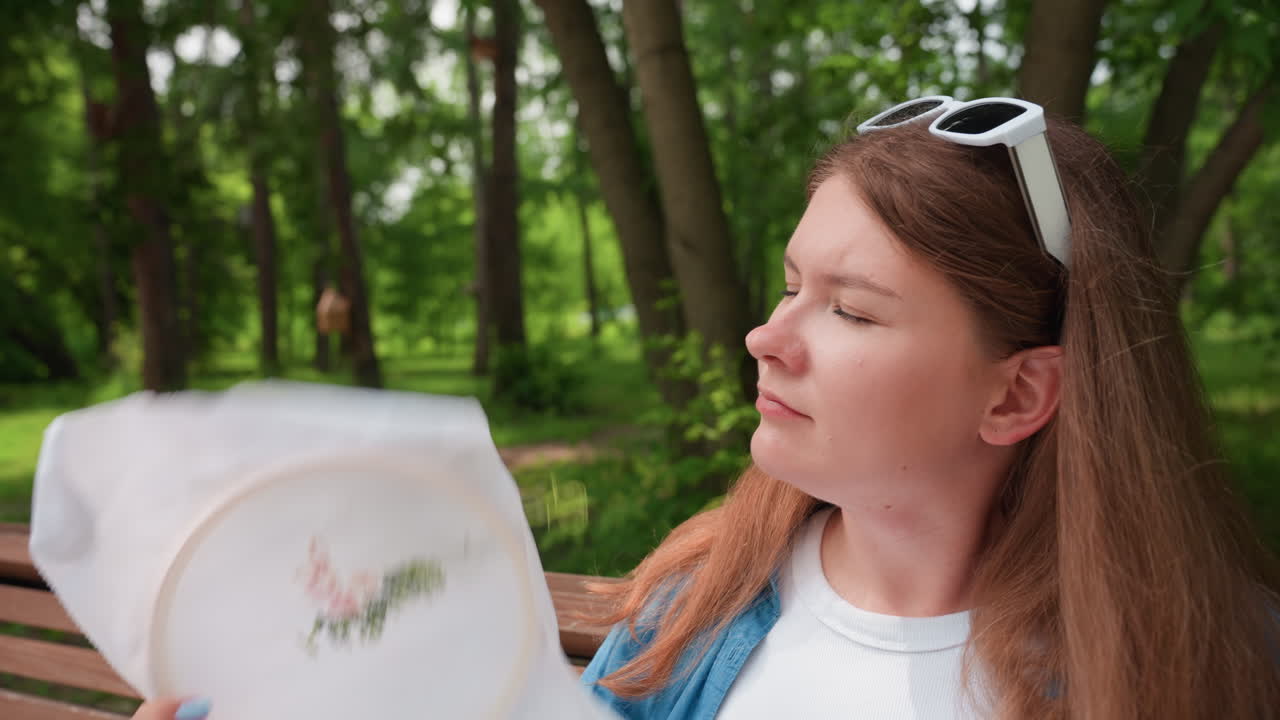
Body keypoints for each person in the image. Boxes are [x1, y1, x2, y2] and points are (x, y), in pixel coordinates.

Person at [131, 97, 1279, 719]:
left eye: (851, 310)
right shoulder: (700, 607)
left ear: (1017, 392)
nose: (765, 337)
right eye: (789, 284)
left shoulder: (1186, 668)